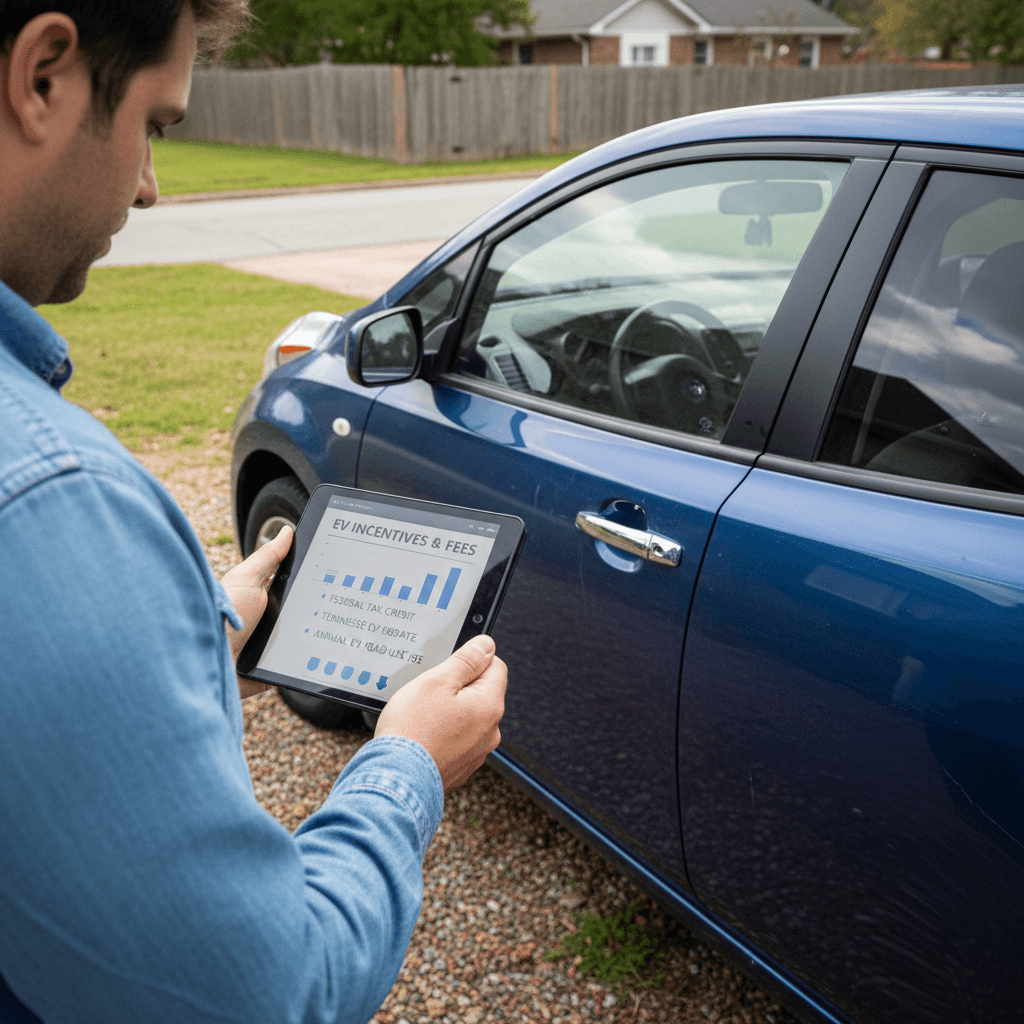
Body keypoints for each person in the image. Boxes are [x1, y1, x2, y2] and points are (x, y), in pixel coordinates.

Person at [0, 2, 507, 1022]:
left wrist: (194, 634)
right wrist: (407, 764)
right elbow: (270, 992)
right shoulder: (48, 495)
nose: (149, 185)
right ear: (44, 75)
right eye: (155, 124)